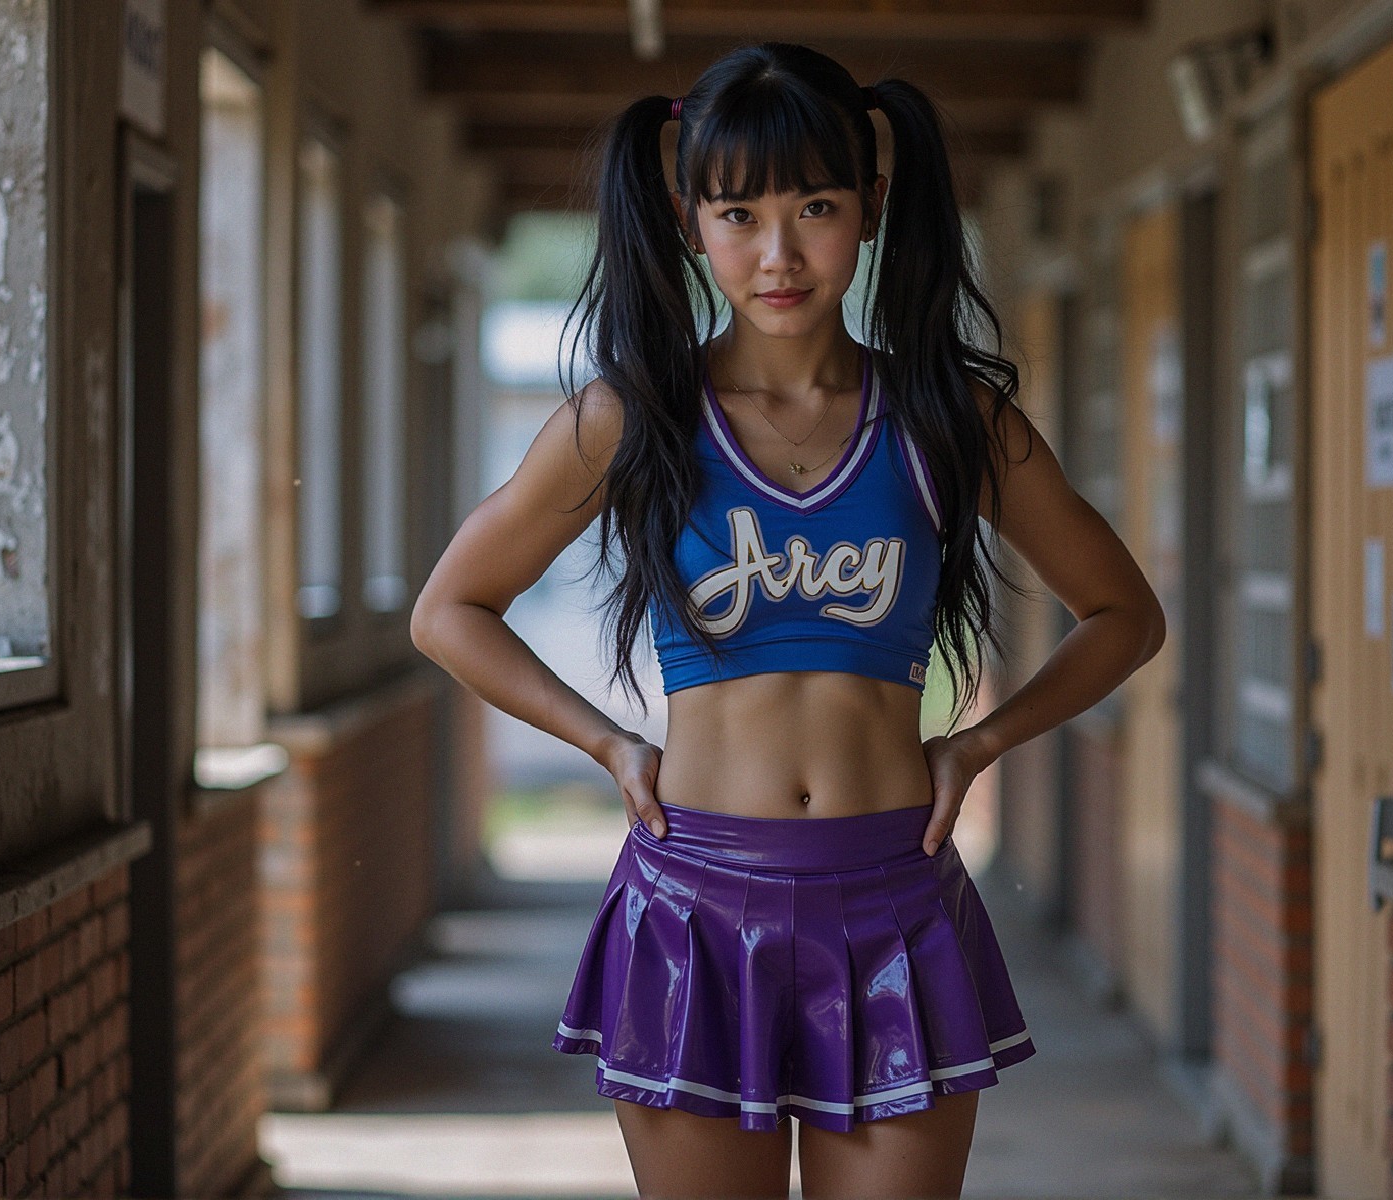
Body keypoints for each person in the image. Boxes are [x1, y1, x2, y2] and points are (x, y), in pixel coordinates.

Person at [411, 41, 1165, 1200]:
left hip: (896, 903)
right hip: (694, 908)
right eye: (738, 214)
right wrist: (607, 742)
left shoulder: (946, 417)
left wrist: (977, 743)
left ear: (871, 207)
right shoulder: (633, 417)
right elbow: (450, 610)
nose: (778, 253)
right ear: (689, 222)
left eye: (814, 206)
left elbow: (1123, 614)